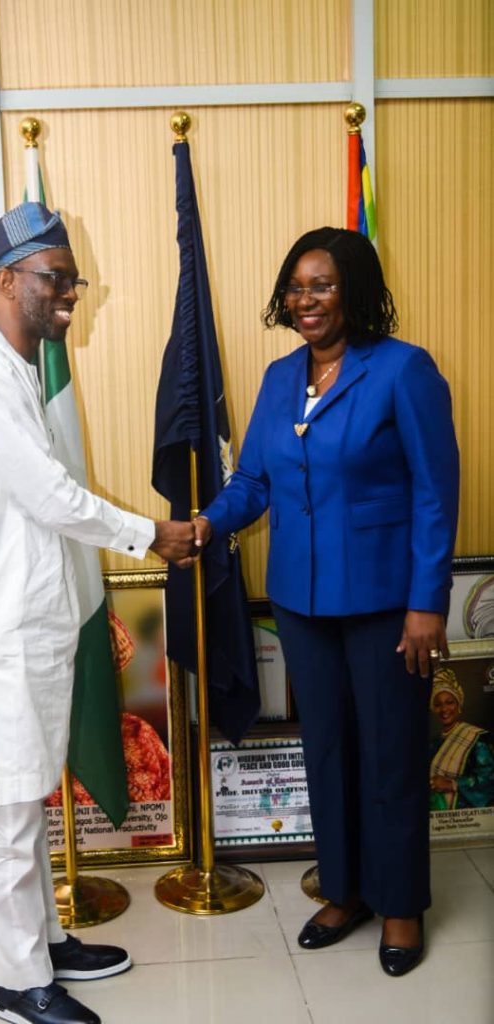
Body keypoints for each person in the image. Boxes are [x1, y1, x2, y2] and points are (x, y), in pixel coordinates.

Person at [0, 201, 196, 1024]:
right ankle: (16, 984)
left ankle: (44, 943)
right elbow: (50, 498)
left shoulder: (17, 368)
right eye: (55, 278)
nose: (69, 294)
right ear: (4, 279)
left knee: (28, 801)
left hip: (30, 631)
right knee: (5, 816)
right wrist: (154, 534)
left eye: (74, 279)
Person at [193, 227, 459, 977]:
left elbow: (435, 494)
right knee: (328, 750)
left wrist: (426, 604)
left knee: (391, 754)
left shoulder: (402, 371)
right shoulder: (279, 378)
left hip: (384, 604)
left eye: (322, 285)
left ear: (356, 291)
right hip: (302, 602)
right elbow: (254, 480)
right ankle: (343, 890)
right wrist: (210, 521)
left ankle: (399, 902)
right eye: (296, 287)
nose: (305, 299)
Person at [429, 667, 494, 810]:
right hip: (437, 821)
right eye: (438, 704)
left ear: (459, 705)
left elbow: (489, 780)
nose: (444, 709)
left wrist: (451, 784)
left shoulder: (477, 739)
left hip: (468, 821)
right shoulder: (432, 745)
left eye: (450, 702)